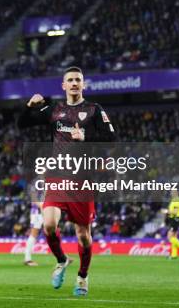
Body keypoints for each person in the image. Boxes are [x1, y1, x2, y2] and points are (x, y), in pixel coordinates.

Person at [18, 67, 116, 296]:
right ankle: (61, 260)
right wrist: (28, 107)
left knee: (83, 234)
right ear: (63, 85)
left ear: (83, 85)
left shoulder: (94, 110)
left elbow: (111, 139)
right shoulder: (54, 110)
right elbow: (22, 124)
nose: (74, 83)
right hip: (56, 176)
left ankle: (82, 277)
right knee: (49, 225)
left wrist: (86, 137)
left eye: (78, 80)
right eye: (70, 80)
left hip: (82, 179)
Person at [24, 202, 43, 266]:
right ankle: (27, 260)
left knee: (52, 233)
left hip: (40, 212)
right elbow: (35, 199)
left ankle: (62, 257)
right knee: (33, 234)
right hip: (37, 213)